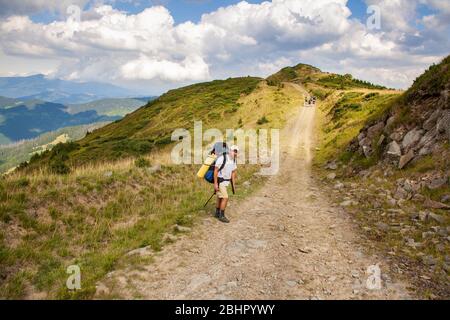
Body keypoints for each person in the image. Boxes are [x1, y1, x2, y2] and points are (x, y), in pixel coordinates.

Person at [214, 145, 238, 223]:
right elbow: (216, 171)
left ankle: (217, 213)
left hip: (226, 182)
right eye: (234, 151)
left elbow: (233, 172)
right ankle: (222, 216)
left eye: (236, 151)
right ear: (229, 151)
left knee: (220, 197)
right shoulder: (222, 158)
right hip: (220, 181)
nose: (235, 153)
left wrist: (233, 185)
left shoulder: (233, 160)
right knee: (225, 197)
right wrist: (215, 184)